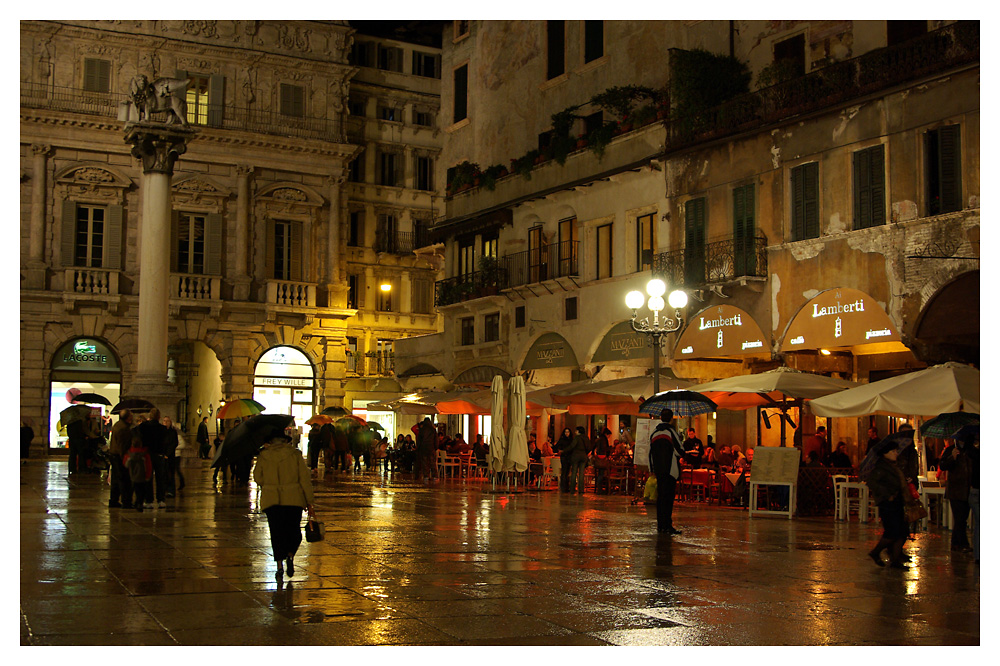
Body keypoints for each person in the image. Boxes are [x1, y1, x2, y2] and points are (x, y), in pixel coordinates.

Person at [253, 428, 315, 579]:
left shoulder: (264, 455)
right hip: (293, 499)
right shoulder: (295, 455)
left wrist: (269, 483)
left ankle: (279, 564)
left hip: (271, 499)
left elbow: (257, 477)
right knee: (293, 531)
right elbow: (304, 479)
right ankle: (290, 554)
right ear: (286, 441)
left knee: (276, 532)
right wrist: (310, 502)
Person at [864, 437, 911, 569]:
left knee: (901, 532)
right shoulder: (881, 467)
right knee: (892, 532)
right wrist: (888, 494)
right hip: (888, 503)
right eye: (893, 451)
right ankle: (875, 552)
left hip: (898, 502)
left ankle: (895, 560)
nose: (896, 453)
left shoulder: (895, 465)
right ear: (886, 453)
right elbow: (872, 483)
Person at [648, 409, 686, 535]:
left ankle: (660, 525)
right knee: (668, 498)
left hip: (659, 470)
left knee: (661, 497)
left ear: (660, 417)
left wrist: (652, 469)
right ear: (671, 418)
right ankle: (667, 525)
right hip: (670, 470)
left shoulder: (654, 433)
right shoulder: (671, 432)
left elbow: (650, 453)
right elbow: (679, 450)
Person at [938, 429, 976, 553]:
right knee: (960, 518)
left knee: (962, 518)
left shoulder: (971, 451)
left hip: (968, 489)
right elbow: (943, 465)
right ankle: (961, 543)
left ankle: (957, 543)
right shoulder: (951, 450)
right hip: (955, 490)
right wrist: (952, 457)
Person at [136, 408, 168, 507]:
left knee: (148, 477)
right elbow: (165, 443)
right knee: (160, 478)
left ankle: (149, 500)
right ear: (159, 416)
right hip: (158, 454)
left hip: (147, 454)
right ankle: (160, 499)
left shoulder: (144, 426)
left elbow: (135, 432)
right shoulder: (162, 428)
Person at [108, 409, 134, 508]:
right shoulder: (124, 428)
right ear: (128, 417)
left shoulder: (117, 425)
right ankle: (126, 501)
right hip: (119, 456)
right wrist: (125, 457)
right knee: (124, 479)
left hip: (114, 455)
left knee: (116, 479)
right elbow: (122, 445)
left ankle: (114, 500)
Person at [124, 432, 153, 512]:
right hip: (142, 476)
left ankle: (131, 502)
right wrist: (148, 476)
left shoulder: (129, 453)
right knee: (141, 491)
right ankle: (139, 503)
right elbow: (148, 465)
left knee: (133, 490)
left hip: (132, 476)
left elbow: (125, 464)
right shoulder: (145, 454)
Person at [162, 416, 181, 497]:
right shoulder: (161, 431)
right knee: (164, 474)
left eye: (167, 421)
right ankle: (165, 489)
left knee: (170, 474)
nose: (165, 422)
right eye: (164, 421)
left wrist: (168, 454)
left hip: (170, 456)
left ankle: (171, 491)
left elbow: (174, 443)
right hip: (163, 456)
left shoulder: (173, 432)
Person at [567, 426, 590, 494]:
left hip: (576, 456)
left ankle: (572, 489)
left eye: (576, 431)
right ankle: (581, 489)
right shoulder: (586, 438)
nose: (575, 432)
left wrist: (564, 451)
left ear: (578, 431)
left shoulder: (577, 438)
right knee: (581, 473)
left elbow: (572, 446)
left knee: (574, 472)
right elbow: (589, 447)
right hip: (583, 456)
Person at [415, 417, 438, 482]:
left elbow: (419, 440)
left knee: (425, 463)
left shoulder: (421, 430)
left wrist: (418, 448)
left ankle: (426, 476)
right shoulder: (433, 430)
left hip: (423, 449)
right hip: (431, 449)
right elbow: (436, 440)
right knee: (432, 463)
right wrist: (435, 447)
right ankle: (434, 476)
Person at [556, 427, 574, 493]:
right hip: (564, 457)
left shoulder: (571, 440)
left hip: (568, 457)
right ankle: (564, 487)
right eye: (566, 432)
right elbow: (557, 447)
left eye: (568, 432)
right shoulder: (563, 440)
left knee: (566, 472)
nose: (567, 433)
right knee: (564, 472)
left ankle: (566, 486)